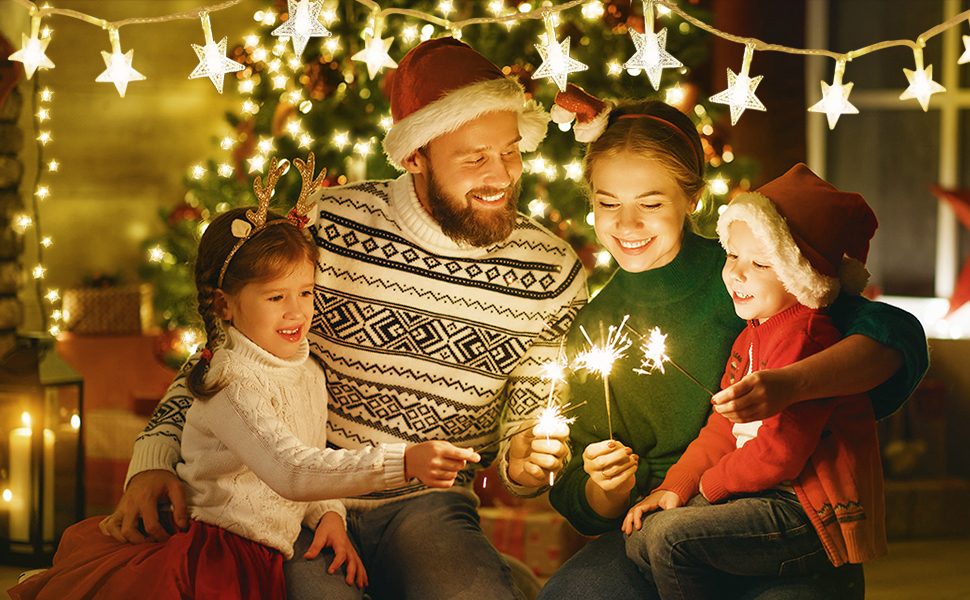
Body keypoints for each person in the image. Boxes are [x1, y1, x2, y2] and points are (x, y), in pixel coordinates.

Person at [99, 38, 586, 600]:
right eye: (474, 158)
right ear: (415, 157)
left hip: (429, 505)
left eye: (510, 150)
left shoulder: (551, 271)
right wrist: (152, 457)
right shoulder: (328, 225)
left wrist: (525, 459)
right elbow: (226, 354)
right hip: (301, 502)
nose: (500, 174)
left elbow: (528, 419)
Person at [10, 159, 479, 599]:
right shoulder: (231, 381)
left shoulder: (307, 370)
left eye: (305, 291)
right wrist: (403, 461)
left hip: (269, 552)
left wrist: (331, 514)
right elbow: (292, 470)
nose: (297, 310)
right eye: (275, 297)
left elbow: (316, 457)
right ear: (225, 305)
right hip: (218, 556)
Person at [537, 85, 927, 600]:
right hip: (665, 509)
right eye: (608, 203)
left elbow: (894, 335)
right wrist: (603, 489)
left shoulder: (757, 277)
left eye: (650, 203)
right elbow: (575, 492)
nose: (626, 224)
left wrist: (792, 385)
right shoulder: (595, 327)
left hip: (780, 510)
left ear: (692, 197)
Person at [622, 163, 888, 599]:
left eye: (761, 263)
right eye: (733, 255)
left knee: (670, 540)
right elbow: (722, 427)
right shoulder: (751, 334)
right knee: (643, 536)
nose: (737, 273)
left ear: (803, 276)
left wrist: (706, 492)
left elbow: (781, 452)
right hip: (756, 499)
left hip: (804, 512)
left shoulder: (808, 338)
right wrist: (677, 486)